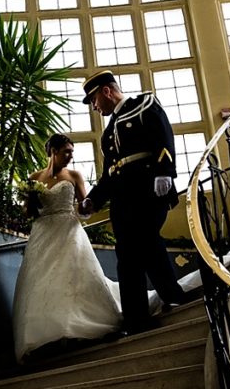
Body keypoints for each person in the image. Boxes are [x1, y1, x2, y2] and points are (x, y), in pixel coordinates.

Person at [78, 70, 185, 335]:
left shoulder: (144, 105)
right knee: (126, 256)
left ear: (106, 91)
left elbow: (164, 136)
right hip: (123, 199)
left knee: (146, 239)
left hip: (148, 189)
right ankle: (136, 319)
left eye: (93, 100)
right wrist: (94, 199)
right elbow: (109, 173)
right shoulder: (107, 134)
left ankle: (173, 295)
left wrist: (164, 171)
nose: (94, 107)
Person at [11, 133, 124, 361]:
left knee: (72, 277)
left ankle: (78, 327)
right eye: (66, 152)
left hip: (69, 231)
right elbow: (26, 213)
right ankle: (48, 335)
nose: (71, 156)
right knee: (42, 282)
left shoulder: (74, 176)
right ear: (53, 151)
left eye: (72, 152)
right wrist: (30, 202)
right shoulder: (34, 178)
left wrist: (85, 208)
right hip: (42, 234)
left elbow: (86, 207)